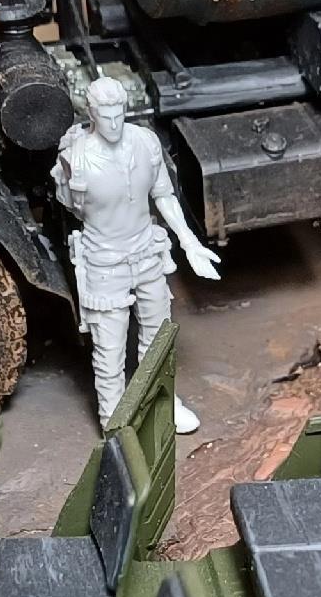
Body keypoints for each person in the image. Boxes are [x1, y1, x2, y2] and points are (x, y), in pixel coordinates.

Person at [53, 75, 220, 433]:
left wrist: (189, 241)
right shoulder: (75, 157)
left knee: (158, 338)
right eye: (105, 116)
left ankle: (160, 401)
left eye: (119, 114)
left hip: (147, 252)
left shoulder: (145, 142)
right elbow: (70, 208)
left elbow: (163, 195)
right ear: (92, 114)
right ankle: (114, 423)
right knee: (110, 349)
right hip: (104, 262)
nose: (113, 124)